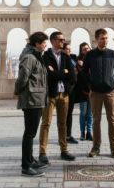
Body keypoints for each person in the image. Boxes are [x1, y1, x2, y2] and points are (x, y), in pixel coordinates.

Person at [83, 28, 114, 158]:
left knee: (112, 120)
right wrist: (91, 83)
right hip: (95, 93)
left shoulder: (112, 54)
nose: (105, 40)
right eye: (102, 38)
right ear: (96, 39)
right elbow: (84, 72)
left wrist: (113, 81)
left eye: (106, 38)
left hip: (110, 92)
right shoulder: (90, 55)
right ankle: (96, 147)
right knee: (96, 120)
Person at [14, 32, 49, 177]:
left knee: (31, 133)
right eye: (44, 42)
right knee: (29, 134)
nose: (45, 45)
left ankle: (30, 160)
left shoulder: (35, 56)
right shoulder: (29, 57)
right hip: (31, 100)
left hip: (37, 99)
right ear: (37, 44)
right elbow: (23, 78)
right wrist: (18, 91)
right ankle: (26, 166)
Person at [39, 31, 76, 163]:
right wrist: (63, 73)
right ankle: (42, 152)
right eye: (60, 39)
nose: (63, 42)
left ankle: (64, 150)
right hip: (51, 95)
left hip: (64, 94)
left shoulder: (66, 56)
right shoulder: (46, 56)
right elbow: (50, 75)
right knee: (46, 123)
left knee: (63, 124)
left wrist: (60, 75)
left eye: (63, 39)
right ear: (53, 40)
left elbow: (73, 76)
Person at [74, 42, 93, 141]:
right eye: (84, 49)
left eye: (87, 48)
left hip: (93, 90)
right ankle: (82, 132)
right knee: (83, 113)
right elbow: (79, 77)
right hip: (83, 91)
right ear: (81, 51)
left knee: (90, 113)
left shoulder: (94, 60)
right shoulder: (78, 62)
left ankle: (89, 132)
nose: (86, 50)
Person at [63, 43, 79, 144]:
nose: (68, 51)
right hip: (66, 89)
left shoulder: (73, 59)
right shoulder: (62, 60)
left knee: (70, 113)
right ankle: (64, 135)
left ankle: (68, 134)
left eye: (70, 49)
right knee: (65, 113)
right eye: (67, 49)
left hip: (74, 89)